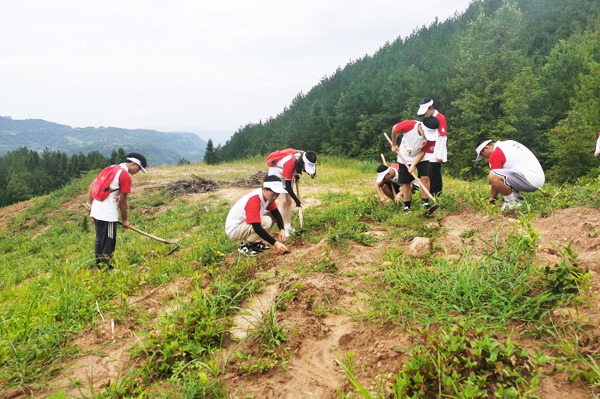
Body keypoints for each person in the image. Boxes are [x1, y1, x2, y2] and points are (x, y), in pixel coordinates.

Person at [85, 153, 148, 268]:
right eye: (138, 169)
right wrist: (125, 220)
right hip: (107, 214)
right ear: (134, 164)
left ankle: (100, 266)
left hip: (97, 211)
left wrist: (89, 203)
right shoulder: (124, 176)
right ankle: (108, 269)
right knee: (108, 241)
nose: (137, 172)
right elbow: (123, 202)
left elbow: (93, 183)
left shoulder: (111, 168)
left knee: (100, 239)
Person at [225, 175, 290, 256]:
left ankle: (255, 243)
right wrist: (275, 243)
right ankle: (245, 246)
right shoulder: (254, 200)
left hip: (244, 225)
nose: (275, 196)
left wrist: (282, 229)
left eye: (278, 194)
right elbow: (257, 227)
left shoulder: (268, 198)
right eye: (273, 193)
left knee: (271, 216)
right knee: (266, 221)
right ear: (264, 189)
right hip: (234, 229)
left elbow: (276, 213)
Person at [475, 138, 545, 211]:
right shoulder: (509, 143)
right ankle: (518, 198)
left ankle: (511, 204)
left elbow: (495, 179)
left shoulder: (496, 153)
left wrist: (493, 197)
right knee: (506, 173)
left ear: (486, 148)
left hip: (530, 180)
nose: (486, 158)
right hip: (538, 177)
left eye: (484, 155)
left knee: (493, 175)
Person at [390, 116, 439, 213]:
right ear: (421, 127)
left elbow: (423, 152)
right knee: (406, 181)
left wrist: (413, 165)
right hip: (404, 155)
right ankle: (407, 206)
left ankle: (425, 203)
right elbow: (395, 128)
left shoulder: (433, 136)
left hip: (421, 156)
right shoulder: (409, 125)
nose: (427, 137)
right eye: (426, 134)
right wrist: (394, 144)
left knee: (425, 177)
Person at [266, 149, 317, 237]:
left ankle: (288, 225)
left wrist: (297, 175)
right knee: (282, 201)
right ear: (303, 163)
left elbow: (295, 170)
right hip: (277, 172)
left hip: (287, 172)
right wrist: (297, 200)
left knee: (289, 201)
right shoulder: (290, 163)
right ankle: (282, 229)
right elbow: (288, 187)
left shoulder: (305, 156)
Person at [417, 98, 448, 196]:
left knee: (435, 174)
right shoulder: (427, 117)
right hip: (426, 151)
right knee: (425, 173)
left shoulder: (440, 117)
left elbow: (443, 137)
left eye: (426, 111)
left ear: (431, 108)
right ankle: (425, 194)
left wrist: (440, 155)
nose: (424, 114)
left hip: (436, 152)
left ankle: (437, 194)